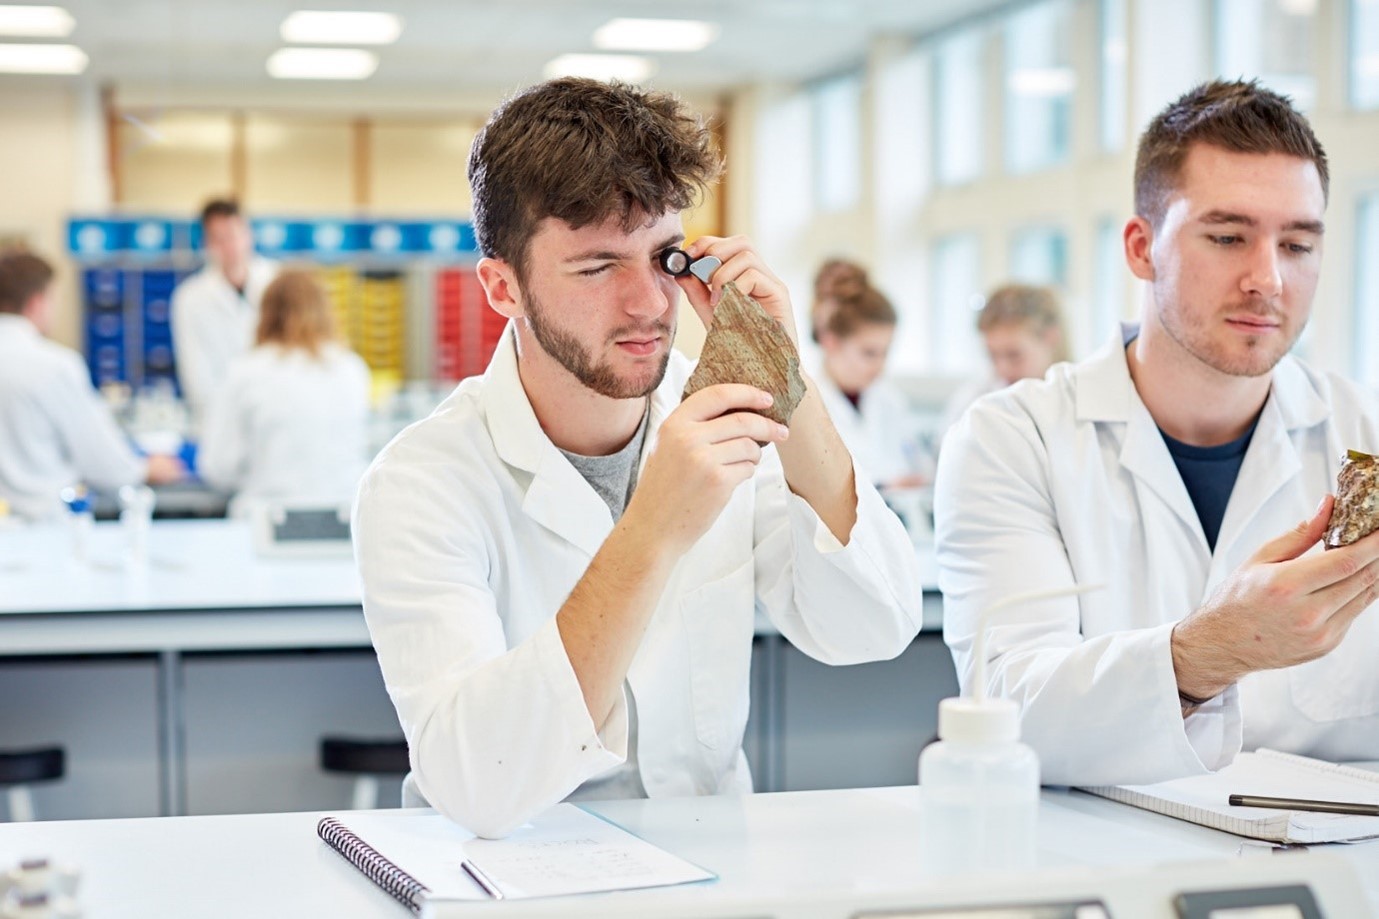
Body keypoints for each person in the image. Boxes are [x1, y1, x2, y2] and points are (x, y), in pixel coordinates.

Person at [353, 77, 923, 838]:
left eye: (664, 257)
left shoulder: (723, 410)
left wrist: (781, 372)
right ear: (502, 287)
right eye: (597, 267)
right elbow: (476, 782)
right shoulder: (420, 482)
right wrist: (652, 529)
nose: (650, 302)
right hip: (511, 875)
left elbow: (873, 627)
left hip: (709, 866)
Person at [934, 79, 1379, 788]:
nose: (1267, 278)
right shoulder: (1012, 439)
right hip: (1098, 870)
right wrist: (1205, 652)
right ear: (1142, 248)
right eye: (1227, 237)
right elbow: (1007, 709)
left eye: (1296, 243)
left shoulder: (1363, 433)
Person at [0, 250, 183, 521]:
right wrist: (145, 469)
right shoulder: (54, 366)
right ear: (37, 302)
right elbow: (102, 461)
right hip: (44, 528)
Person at [197, 269, 371, 516]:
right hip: (341, 520)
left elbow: (218, 468)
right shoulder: (352, 369)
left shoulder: (245, 371)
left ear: (266, 315)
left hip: (264, 521)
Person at [171, 198, 278, 419]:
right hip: (217, 421)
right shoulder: (189, 299)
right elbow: (196, 378)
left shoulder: (278, 284)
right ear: (206, 244)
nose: (229, 246)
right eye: (218, 239)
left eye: (233, 234)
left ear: (248, 235)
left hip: (274, 417)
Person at [814, 283, 927, 489]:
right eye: (869, 353)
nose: (880, 366)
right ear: (830, 342)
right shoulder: (807, 403)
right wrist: (883, 487)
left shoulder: (889, 398)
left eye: (886, 352)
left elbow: (916, 464)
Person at [940, 283, 1069, 436]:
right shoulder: (972, 402)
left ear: (1051, 337)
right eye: (992, 355)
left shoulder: (1074, 403)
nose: (1002, 369)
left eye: (1014, 355)